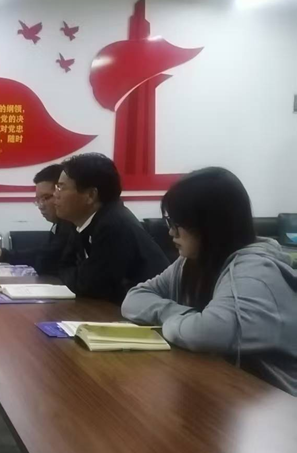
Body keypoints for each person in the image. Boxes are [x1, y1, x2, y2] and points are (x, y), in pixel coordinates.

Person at [122, 167, 297, 396]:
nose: (171, 233)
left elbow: (207, 333)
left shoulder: (255, 271)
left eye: (178, 223)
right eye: (169, 221)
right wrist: (184, 314)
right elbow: (134, 299)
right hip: (230, 390)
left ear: (210, 225)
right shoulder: (192, 262)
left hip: (278, 403)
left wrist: (181, 320)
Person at [54, 153, 169, 303]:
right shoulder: (82, 221)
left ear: (90, 195)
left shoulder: (113, 225)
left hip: (147, 309)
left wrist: (74, 274)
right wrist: (75, 274)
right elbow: (63, 266)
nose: (55, 194)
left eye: (61, 187)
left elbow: (90, 286)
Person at [0, 164, 75, 276]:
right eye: (38, 200)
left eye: (46, 198)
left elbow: (46, 260)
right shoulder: (58, 224)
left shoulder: (72, 225)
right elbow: (45, 255)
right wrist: (3, 254)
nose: (41, 206)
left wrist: (4, 254)